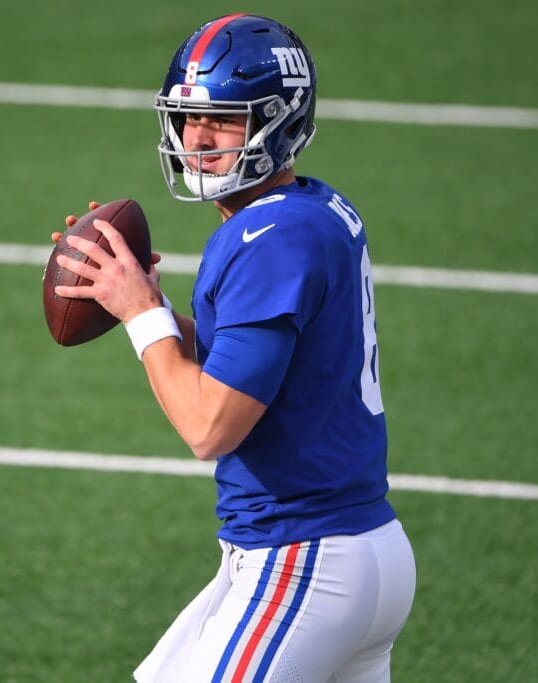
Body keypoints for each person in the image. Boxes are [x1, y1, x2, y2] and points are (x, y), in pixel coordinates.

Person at [52, 14, 416, 683]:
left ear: (279, 122)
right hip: (358, 548)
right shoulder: (315, 210)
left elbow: (209, 425)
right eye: (189, 119)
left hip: (305, 558)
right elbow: (269, 362)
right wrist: (152, 305)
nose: (199, 137)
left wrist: (142, 319)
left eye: (224, 119)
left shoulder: (268, 237)